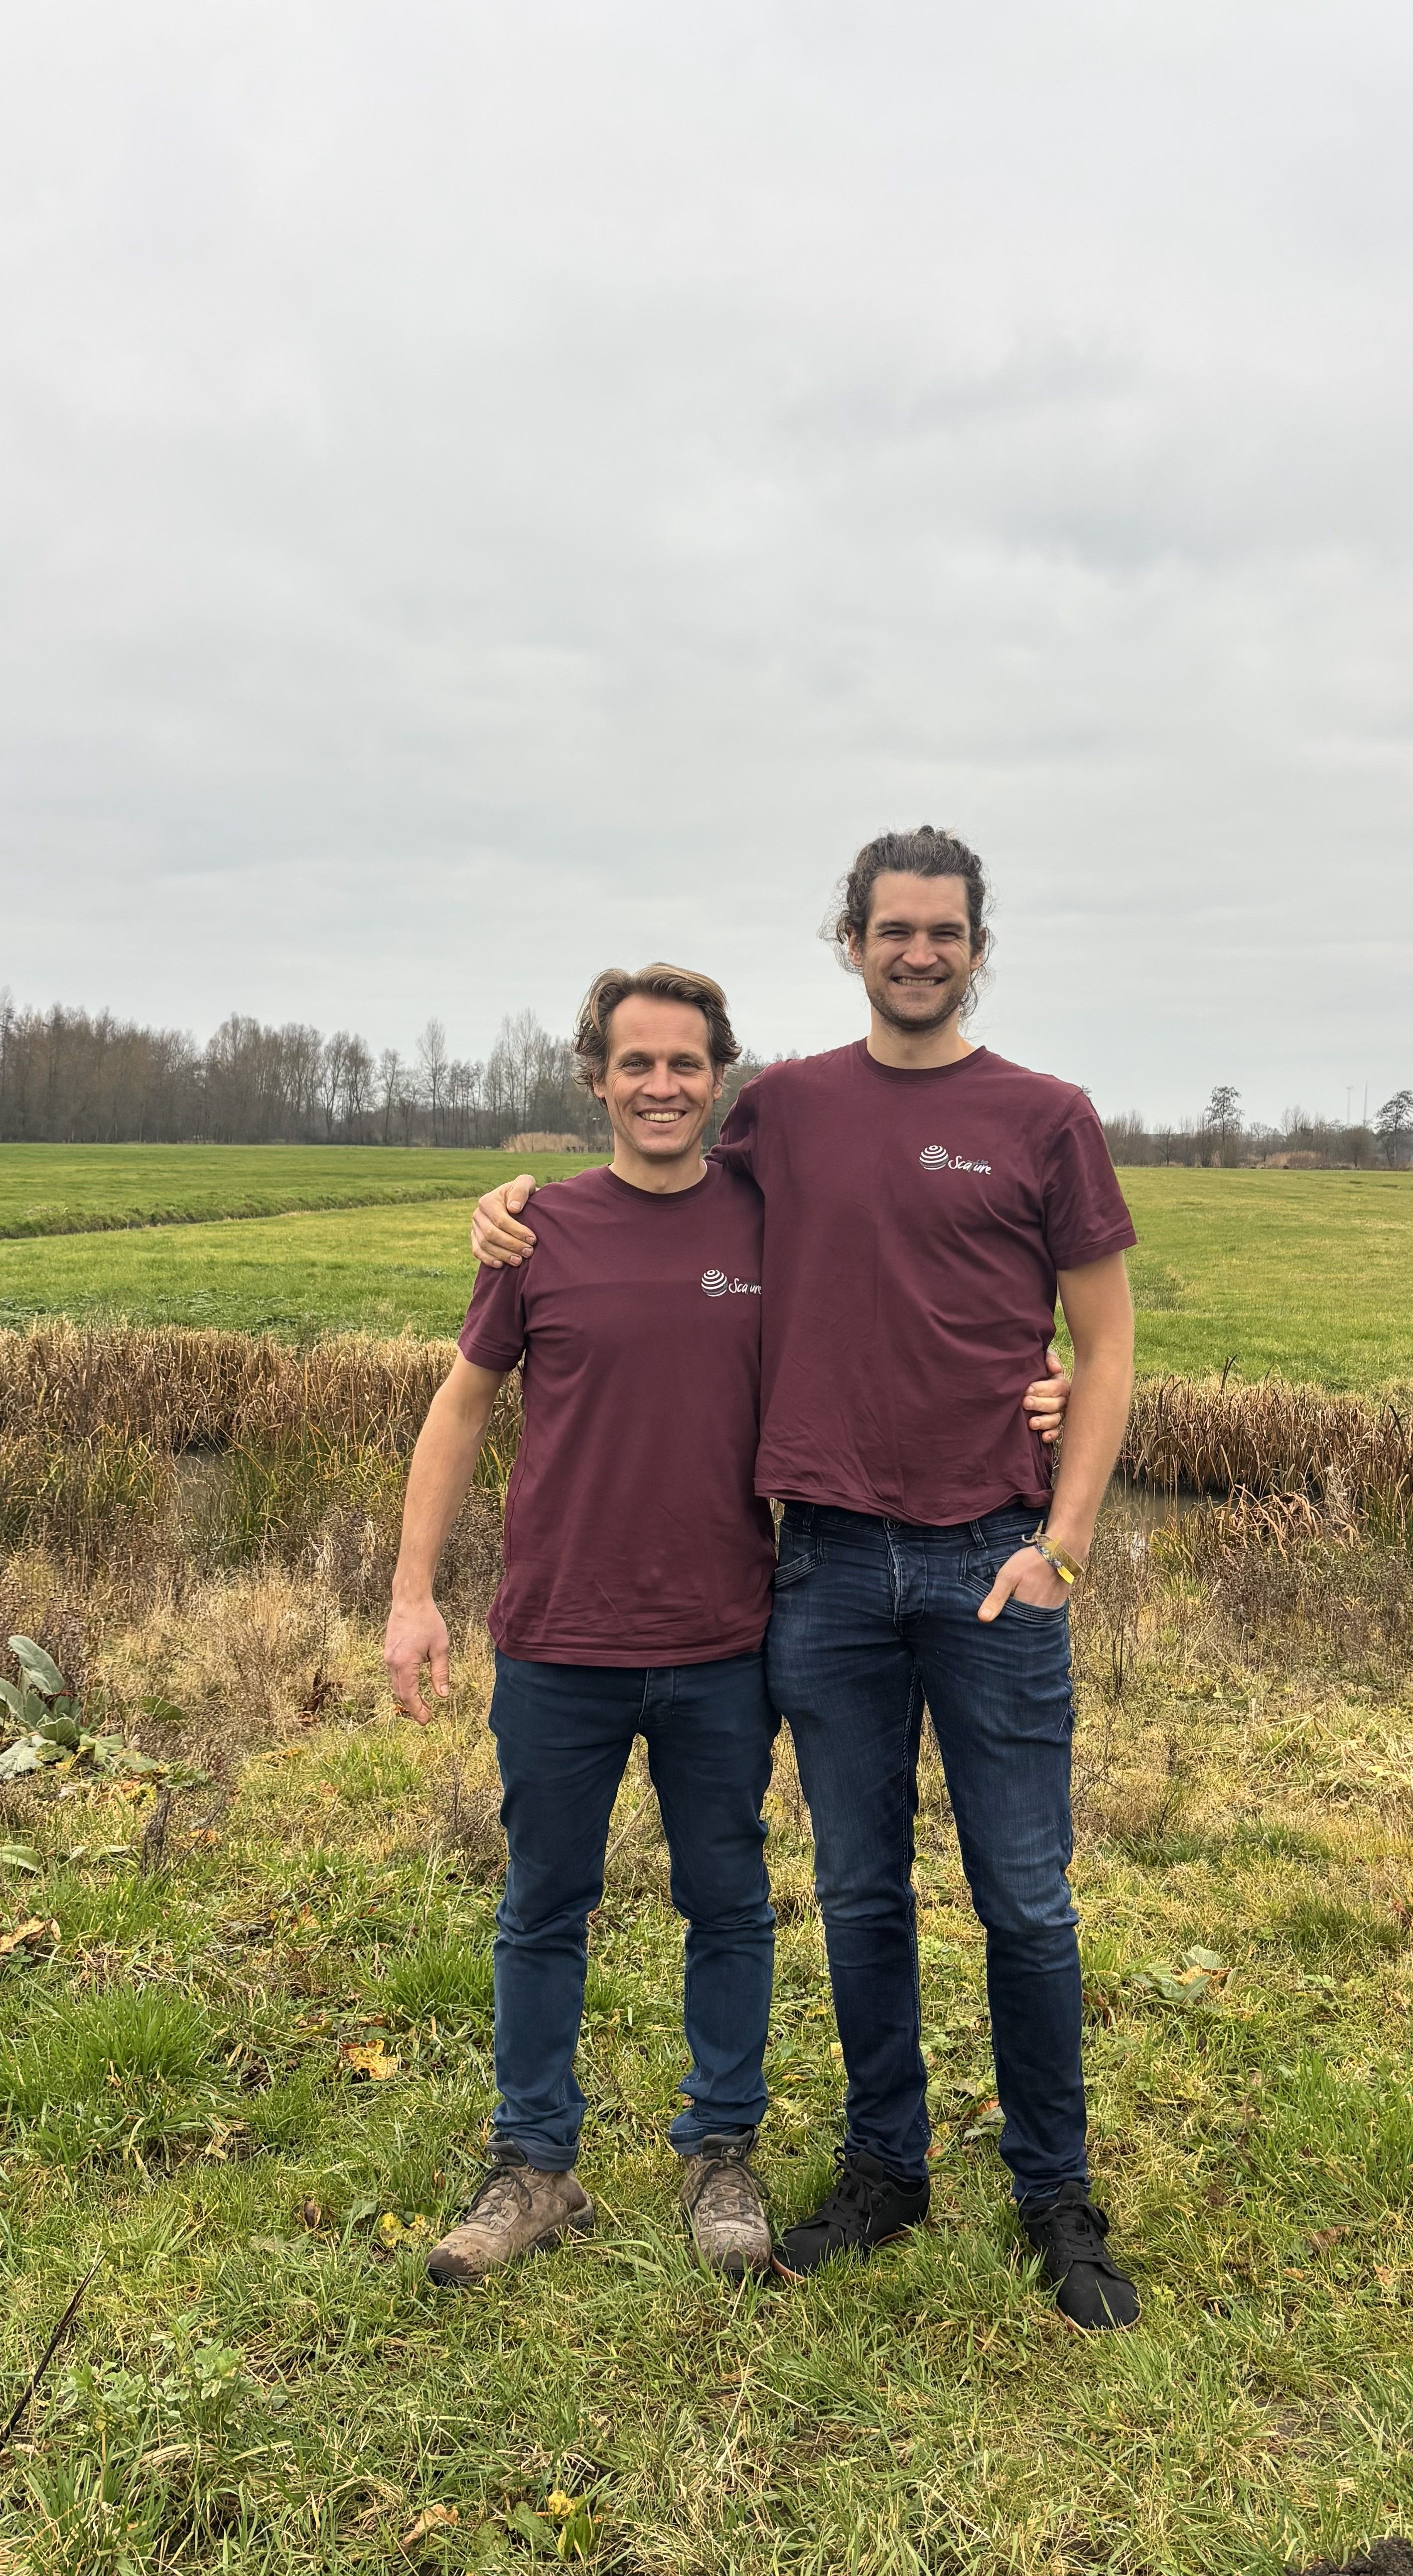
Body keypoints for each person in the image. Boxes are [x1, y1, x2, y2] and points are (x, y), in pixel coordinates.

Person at [471, 827, 1143, 2332]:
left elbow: (1105, 1349)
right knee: (857, 1891)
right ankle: (886, 2170)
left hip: (990, 1565)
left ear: (979, 945)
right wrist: (510, 1218)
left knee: (1025, 1900)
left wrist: (1066, 1543)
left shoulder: (1047, 1118)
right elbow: (659, 1190)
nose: (920, 952)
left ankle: (1056, 2193)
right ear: (851, 940)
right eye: (892, 928)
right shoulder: (785, 1110)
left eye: (945, 931)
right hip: (825, 1565)